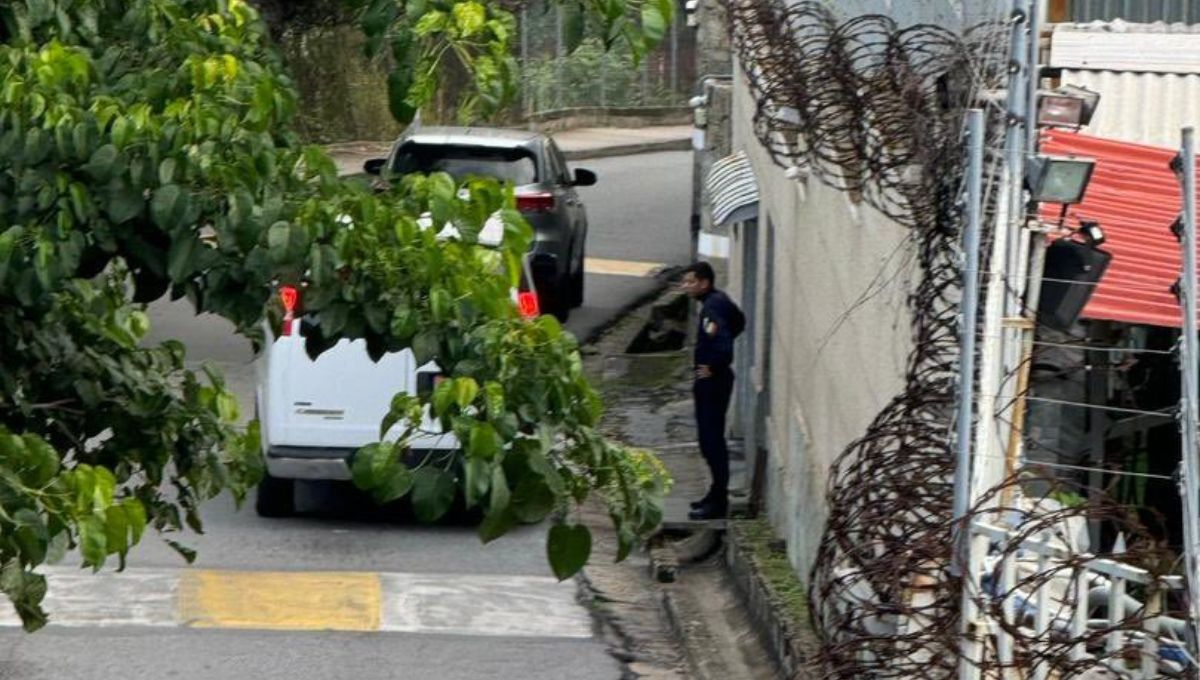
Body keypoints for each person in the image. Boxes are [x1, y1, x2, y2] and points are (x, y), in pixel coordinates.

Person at [679, 261, 743, 520]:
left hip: (713, 382)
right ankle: (714, 493)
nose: (686, 287)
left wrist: (712, 367)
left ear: (704, 283)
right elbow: (739, 321)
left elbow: (724, 345)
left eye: (691, 282)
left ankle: (718, 500)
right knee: (709, 441)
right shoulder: (717, 302)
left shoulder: (712, 307)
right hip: (712, 380)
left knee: (712, 441)